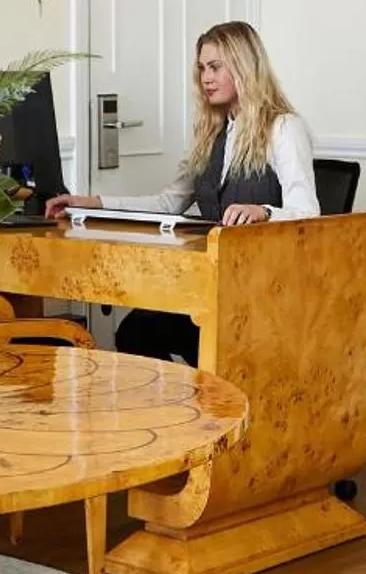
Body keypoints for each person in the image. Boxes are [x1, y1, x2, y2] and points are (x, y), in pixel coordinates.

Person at [46, 21, 319, 359]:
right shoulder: (214, 132)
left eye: (216, 67)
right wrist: (91, 202)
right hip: (214, 282)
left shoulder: (283, 128)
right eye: (202, 68)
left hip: (260, 287)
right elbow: (168, 203)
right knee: (136, 331)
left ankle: (210, 403)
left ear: (245, 66)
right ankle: (185, 409)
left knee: (162, 334)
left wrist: (263, 211)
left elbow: (308, 213)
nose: (206, 77)